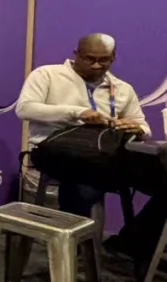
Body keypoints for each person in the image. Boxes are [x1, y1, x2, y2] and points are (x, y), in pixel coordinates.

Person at [16, 33, 165, 267]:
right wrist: (77, 113)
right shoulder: (47, 75)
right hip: (54, 149)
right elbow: (25, 109)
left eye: (104, 60)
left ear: (113, 58)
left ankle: (131, 241)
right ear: (77, 54)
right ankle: (72, 253)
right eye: (90, 59)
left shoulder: (122, 88)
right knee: (85, 183)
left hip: (104, 156)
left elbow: (143, 126)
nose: (97, 65)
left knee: (161, 181)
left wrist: (137, 128)